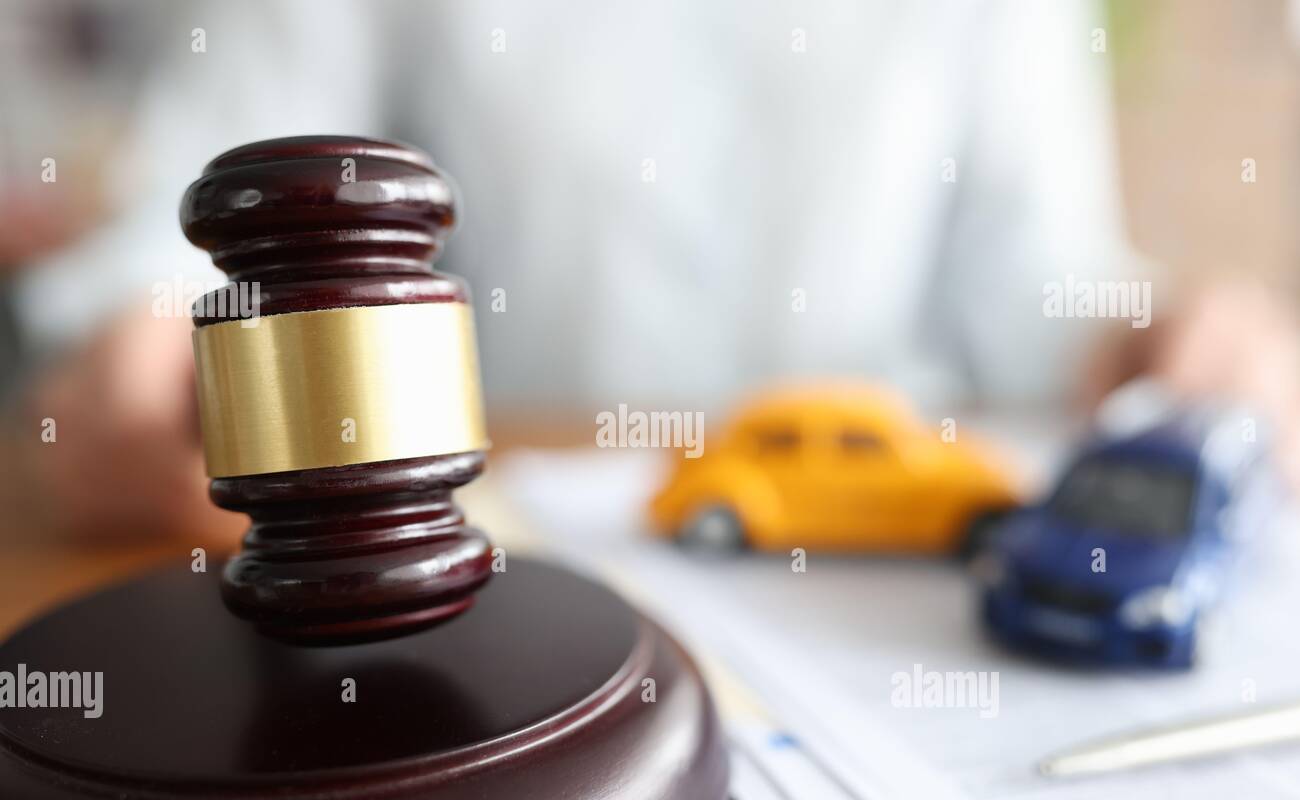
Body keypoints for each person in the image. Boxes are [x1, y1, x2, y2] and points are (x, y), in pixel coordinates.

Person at [2, 0, 1297, 539]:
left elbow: (1039, 287)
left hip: (874, 581)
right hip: (484, 573)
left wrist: (1170, 338)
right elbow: (184, 225)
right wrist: (137, 351)